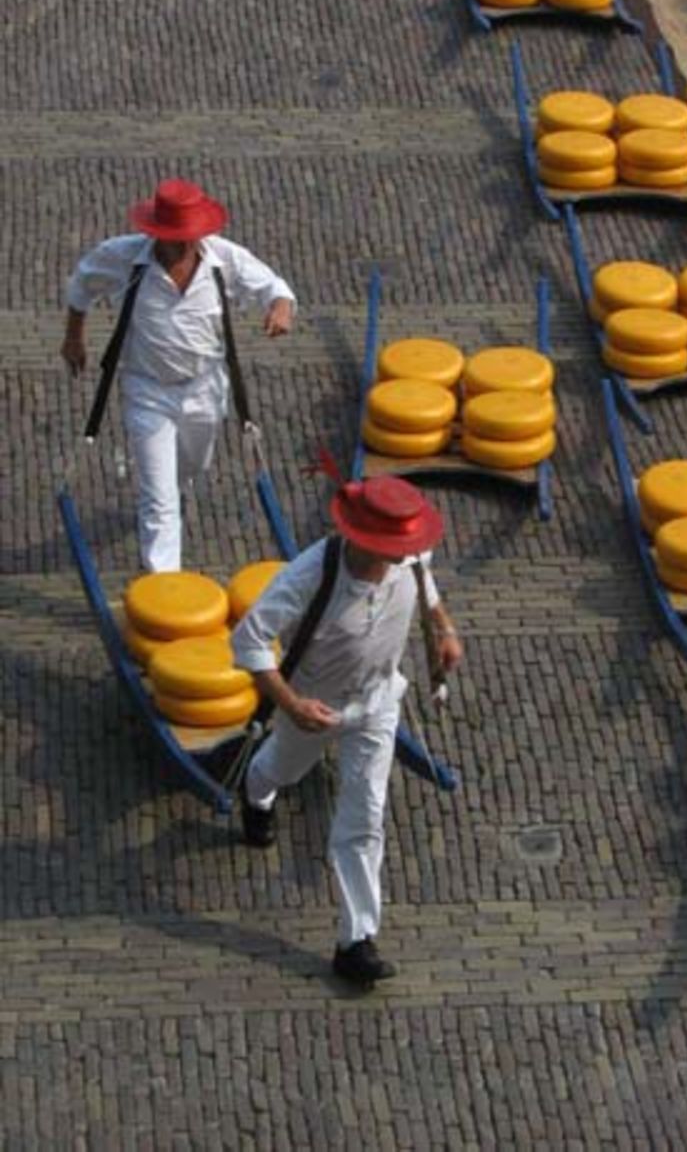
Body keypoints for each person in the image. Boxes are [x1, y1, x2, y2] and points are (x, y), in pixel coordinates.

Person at [230, 476, 463, 987]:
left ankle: (355, 940)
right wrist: (290, 705)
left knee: (365, 812)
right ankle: (256, 791)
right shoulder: (310, 574)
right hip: (317, 705)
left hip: (380, 702)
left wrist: (444, 630)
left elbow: (429, 592)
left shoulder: (409, 557)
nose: (395, 560)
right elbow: (248, 640)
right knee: (279, 769)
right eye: (387, 550)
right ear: (359, 537)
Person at [61, 178, 297, 572]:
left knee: (193, 466)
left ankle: (174, 484)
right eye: (175, 238)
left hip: (205, 388)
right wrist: (74, 338)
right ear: (155, 233)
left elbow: (273, 286)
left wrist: (280, 307)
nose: (184, 245)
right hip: (148, 392)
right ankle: (162, 584)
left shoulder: (226, 260)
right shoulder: (121, 258)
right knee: (159, 499)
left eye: (190, 236)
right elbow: (81, 285)